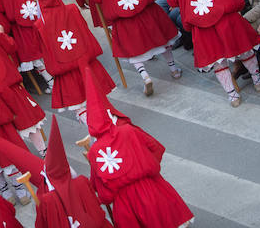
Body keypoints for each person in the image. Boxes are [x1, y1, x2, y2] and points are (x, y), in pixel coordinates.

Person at [83, 68, 194, 227]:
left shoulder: (94, 151)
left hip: (125, 204)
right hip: (151, 189)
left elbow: (100, 186)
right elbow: (156, 148)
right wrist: (147, 165)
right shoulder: (128, 131)